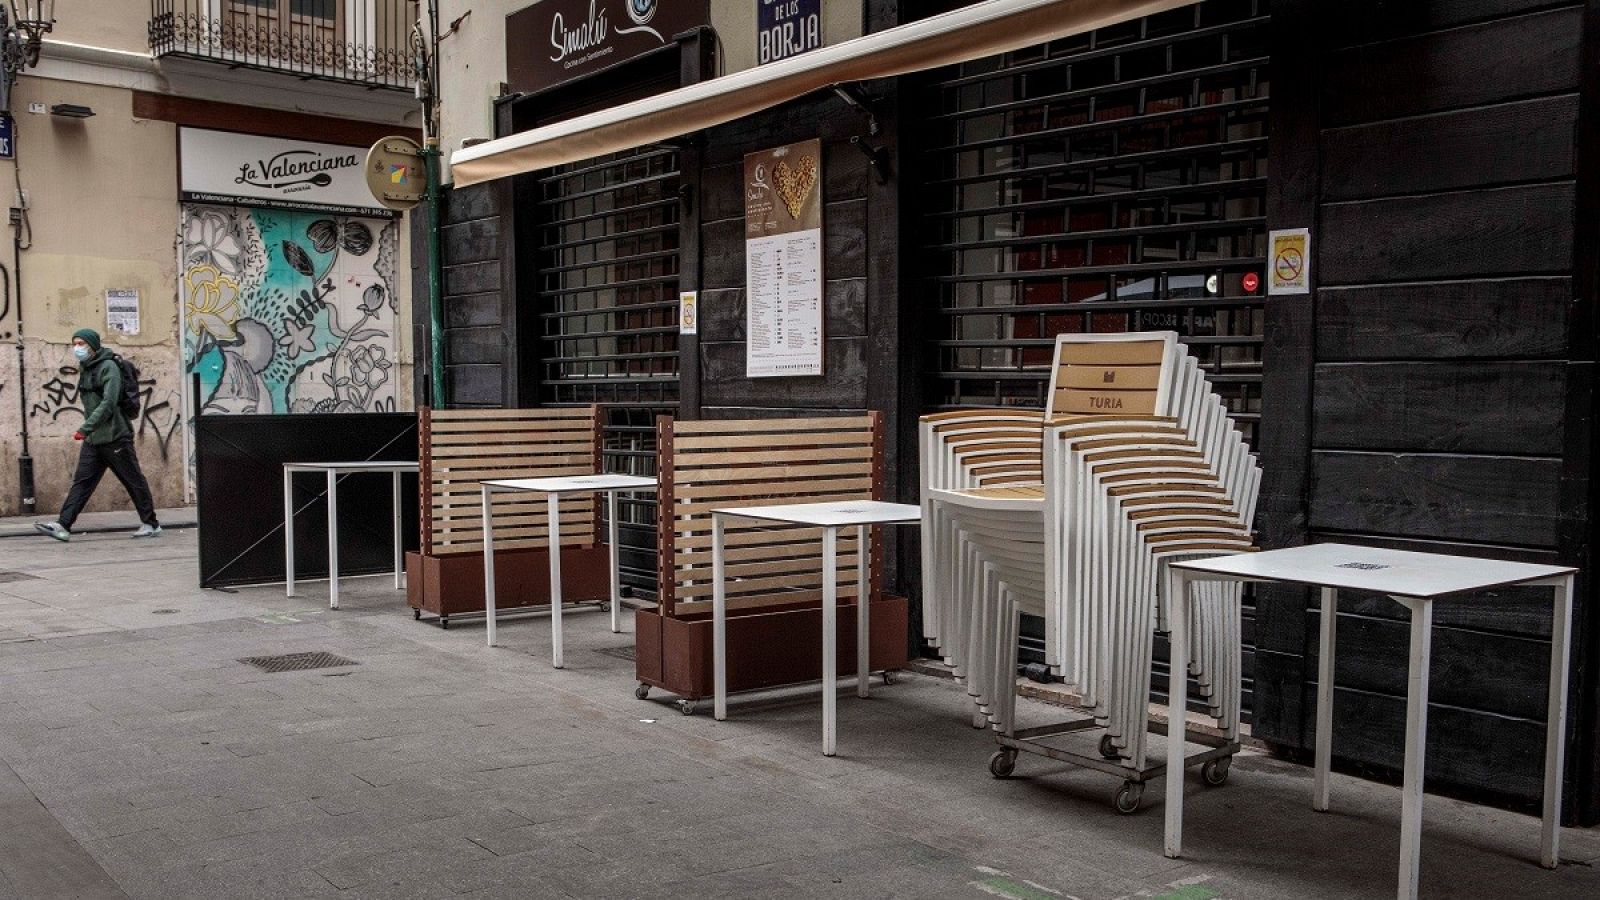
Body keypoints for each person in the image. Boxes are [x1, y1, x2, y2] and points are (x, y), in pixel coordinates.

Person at [33, 329, 161, 541]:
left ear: (92, 345)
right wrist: (90, 431)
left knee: (133, 480)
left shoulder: (108, 367)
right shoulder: (86, 367)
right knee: (82, 483)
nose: (77, 348)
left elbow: (109, 403)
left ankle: (151, 524)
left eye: (81, 343)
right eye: (75, 343)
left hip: (115, 436)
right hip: (94, 440)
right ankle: (63, 526)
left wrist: (86, 428)